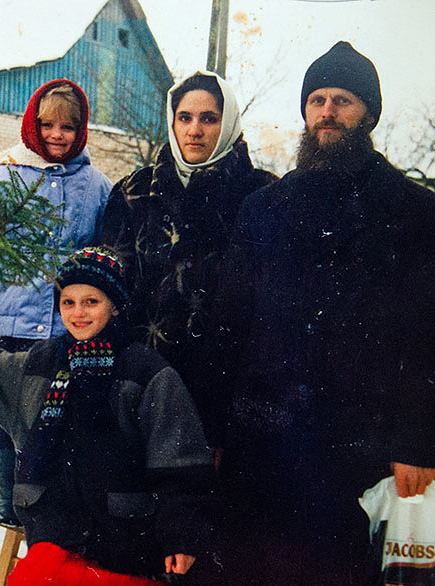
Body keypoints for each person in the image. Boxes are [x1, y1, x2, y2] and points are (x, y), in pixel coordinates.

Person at [211, 41, 435, 585]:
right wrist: (215, 429)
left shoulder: (413, 212)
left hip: (356, 451)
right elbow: (228, 326)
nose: (327, 112)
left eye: (343, 100)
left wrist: (417, 442)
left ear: (370, 113)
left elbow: (427, 335)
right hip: (261, 444)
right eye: (316, 100)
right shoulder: (264, 207)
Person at [0, 247, 214, 585]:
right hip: (54, 537)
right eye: (68, 302)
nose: (78, 313)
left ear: (114, 304)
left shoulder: (144, 372)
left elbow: (179, 462)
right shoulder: (42, 363)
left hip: (125, 544)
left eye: (91, 301)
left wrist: (180, 534)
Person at [101, 71, 275, 447]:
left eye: (209, 118)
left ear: (227, 123)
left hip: (224, 389)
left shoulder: (262, 195)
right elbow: (107, 290)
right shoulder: (134, 192)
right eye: (185, 117)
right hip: (141, 382)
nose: (194, 130)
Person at [0, 79, 112, 527]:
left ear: (82, 131)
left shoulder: (96, 185)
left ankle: (49, 497)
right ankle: (8, 495)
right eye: (48, 125)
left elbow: (103, 248)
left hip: (65, 325)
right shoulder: (5, 177)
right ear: (33, 125)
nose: (57, 135)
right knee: (10, 419)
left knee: (55, 416)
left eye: (68, 127)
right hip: (14, 321)